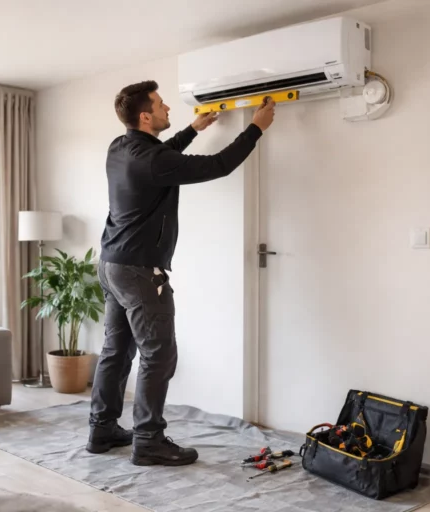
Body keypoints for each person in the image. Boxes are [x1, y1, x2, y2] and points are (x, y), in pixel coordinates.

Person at [87, 80, 275, 466]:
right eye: (160, 104)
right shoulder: (152, 159)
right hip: (139, 270)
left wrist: (193, 129)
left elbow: (160, 156)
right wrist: (256, 128)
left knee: (116, 351)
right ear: (145, 115)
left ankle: (102, 429)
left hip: (111, 265)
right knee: (158, 355)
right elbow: (218, 165)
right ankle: (149, 440)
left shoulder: (121, 147)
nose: (168, 108)